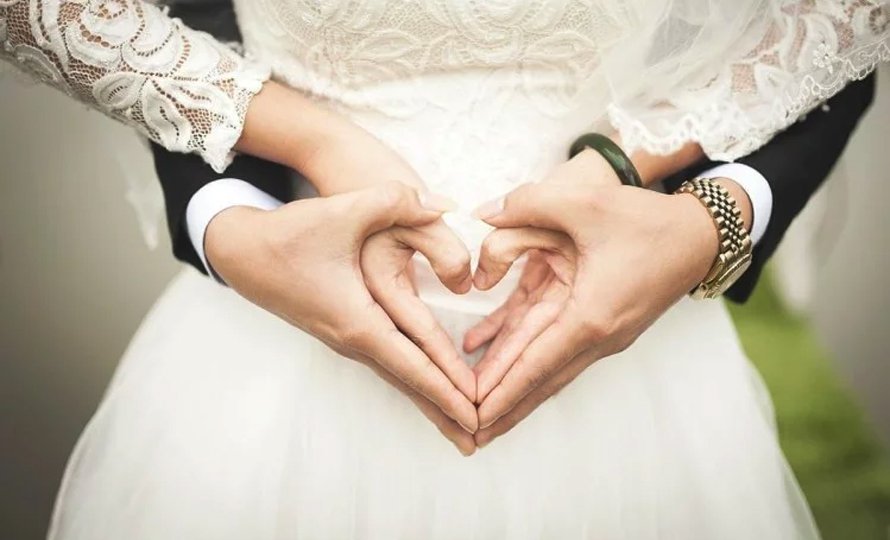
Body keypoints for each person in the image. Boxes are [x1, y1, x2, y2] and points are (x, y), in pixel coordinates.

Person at [1, 0, 887, 538]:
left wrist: (679, 206)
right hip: (284, 350)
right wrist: (294, 161)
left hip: (626, 359)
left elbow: (842, 20)